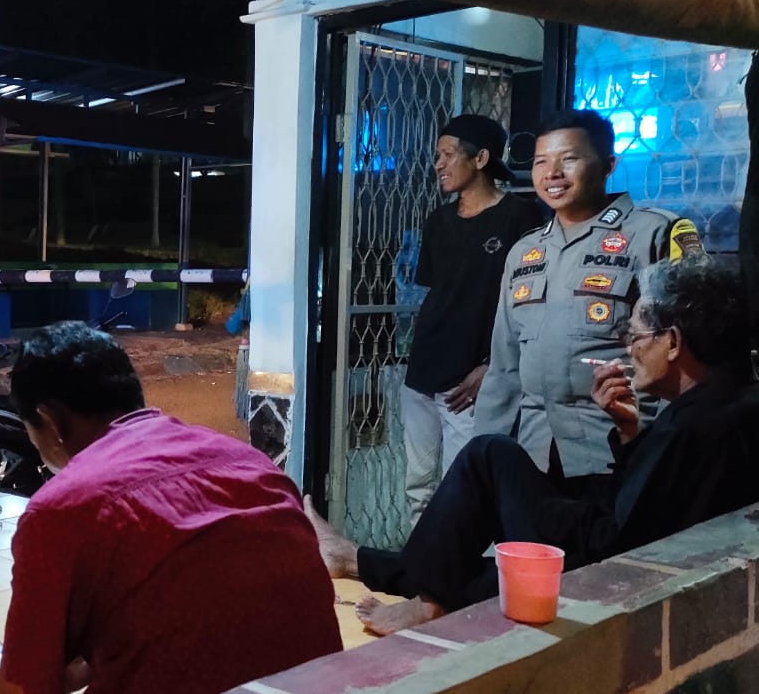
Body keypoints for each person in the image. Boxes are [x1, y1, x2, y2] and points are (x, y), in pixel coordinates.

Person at [309, 257, 759, 634]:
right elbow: (646, 508)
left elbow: (623, 542)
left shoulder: (693, 428)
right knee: (490, 476)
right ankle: (367, 566)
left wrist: (560, 512)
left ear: (673, 342)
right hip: (617, 542)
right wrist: (628, 432)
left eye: (637, 336)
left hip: (608, 572)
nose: (628, 349)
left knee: (485, 469)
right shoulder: (731, 402)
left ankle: (419, 596)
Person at [0, 321, 341, 694]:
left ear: (48, 421)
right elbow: (204, 611)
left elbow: (21, 691)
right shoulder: (255, 467)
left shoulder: (62, 509)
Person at [475, 109, 705, 483]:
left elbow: (691, 358)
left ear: (608, 165)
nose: (552, 173)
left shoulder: (654, 234)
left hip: (620, 447)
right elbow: (504, 368)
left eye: (569, 159)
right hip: (534, 452)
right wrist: (484, 457)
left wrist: (666, 449)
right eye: (541, 162)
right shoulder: (525, 252)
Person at [402, 115, 545, 519]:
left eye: (448, 155)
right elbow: (436, 293)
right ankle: (420, 557)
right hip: (422, 372)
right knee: (418, 486)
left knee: (463, 489)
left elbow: (530, 303)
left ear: (480, 158)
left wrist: (493, 365)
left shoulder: (521, 217)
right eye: (437, 156)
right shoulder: (439, 221)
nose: (439, 165)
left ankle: (462, 561)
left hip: (471, 381)